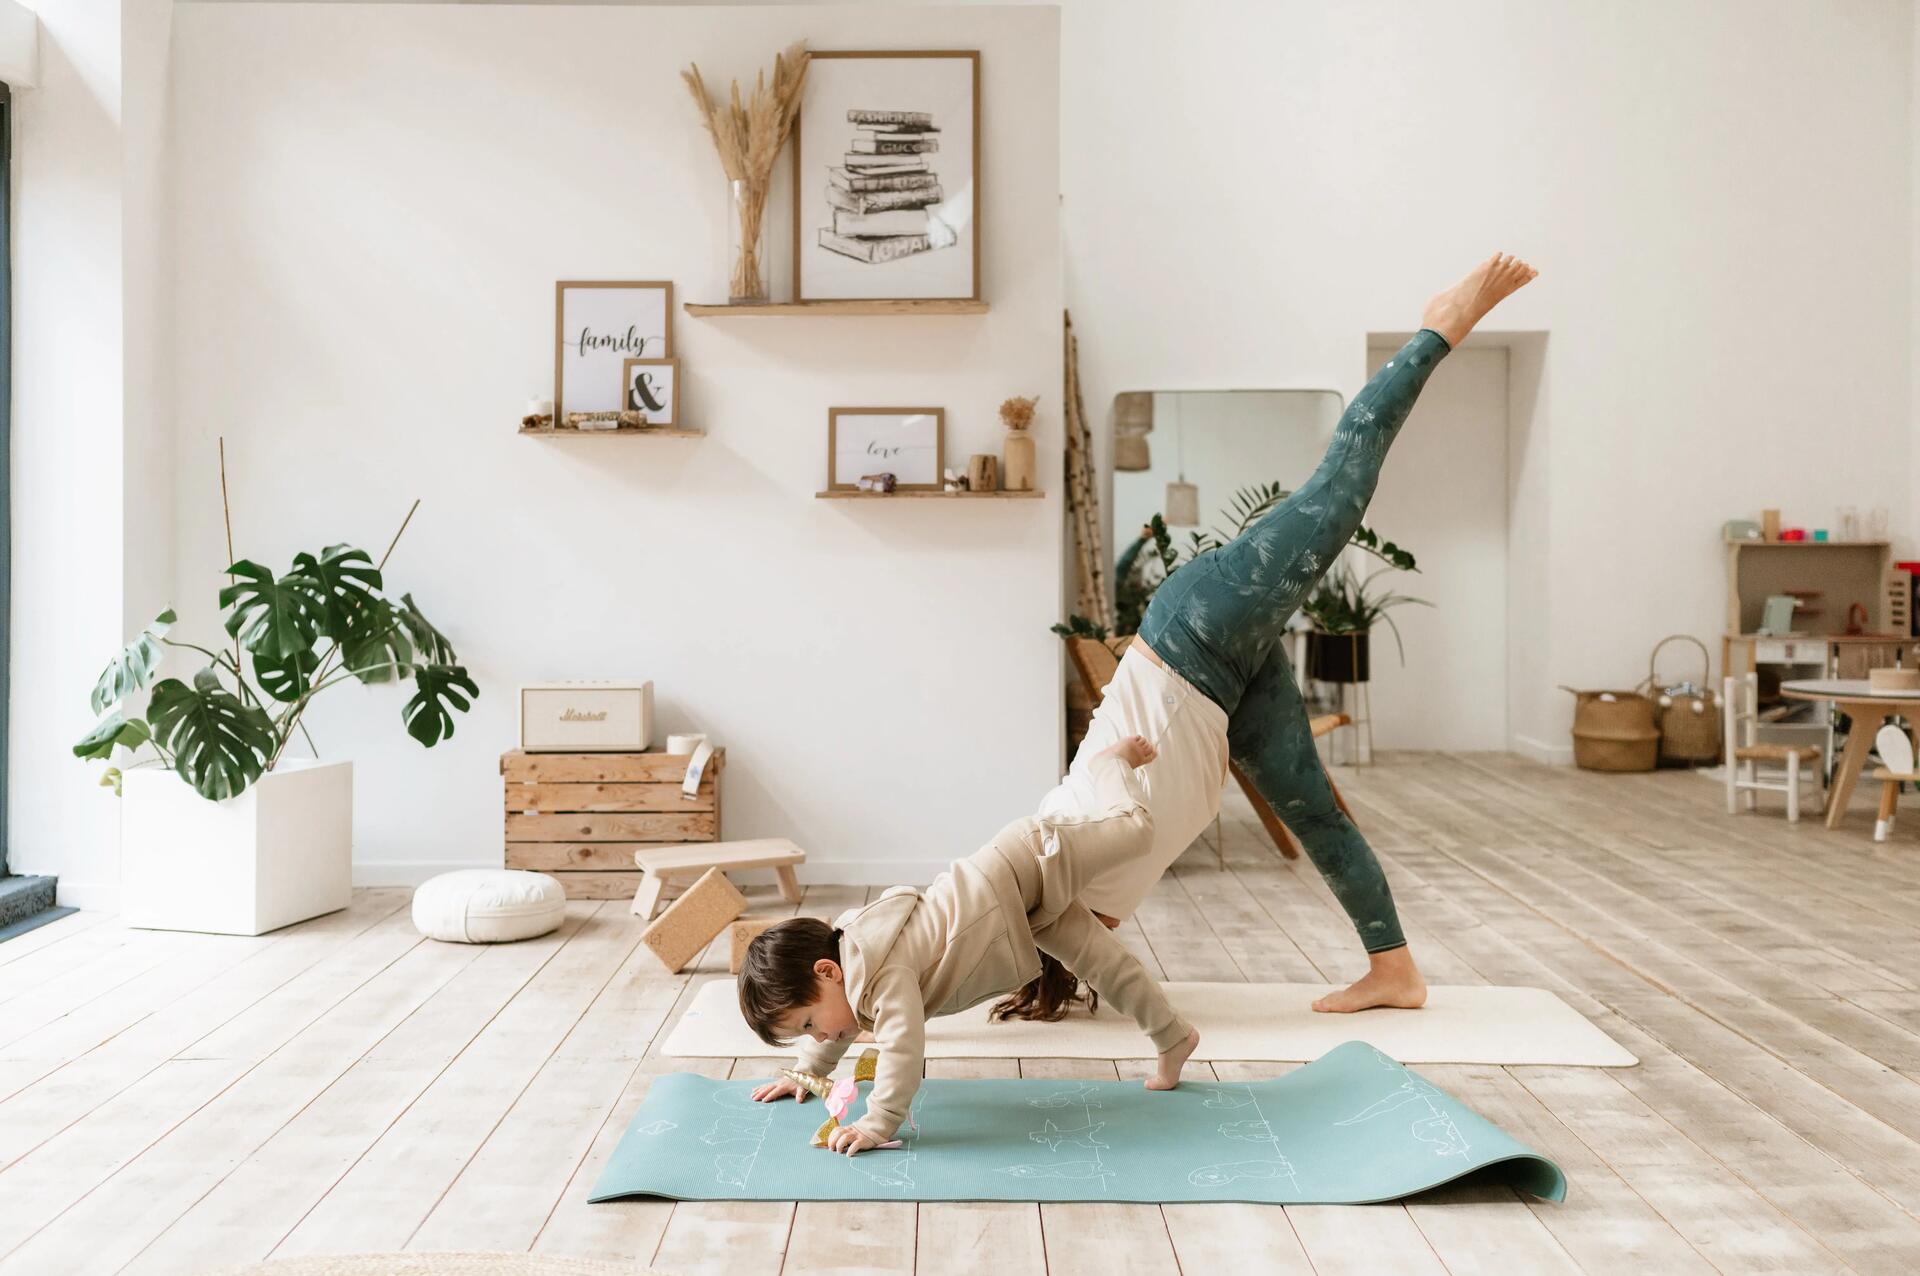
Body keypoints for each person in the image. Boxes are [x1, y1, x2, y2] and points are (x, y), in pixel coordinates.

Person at [1019, 253, 1538, 1017]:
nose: (1106, 940)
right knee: (1315, 812)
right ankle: (1395, 971)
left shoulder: (1051, 857)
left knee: (1336, 495)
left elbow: (956, 906)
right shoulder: (1100, 903)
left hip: (1193, 635)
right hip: (1220, 693)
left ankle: (1438, 328)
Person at [737, 734, 1199, 1155]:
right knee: (1103, 963)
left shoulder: (882, 974)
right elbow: (836, 1022)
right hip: (1022, 913)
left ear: (828, 971)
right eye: (806, 1034)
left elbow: (902, 1049)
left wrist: (878, 1122)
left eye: (809, 1023)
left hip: (1032, 860)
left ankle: (1110, 766)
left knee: (1138, 830)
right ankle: (1173, 1036)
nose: (819, 1035)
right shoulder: (851, 971)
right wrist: (810, 1070)